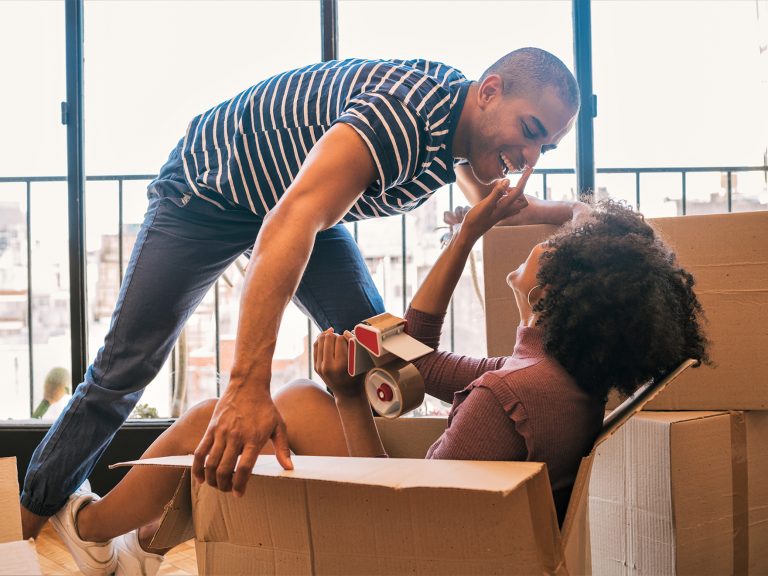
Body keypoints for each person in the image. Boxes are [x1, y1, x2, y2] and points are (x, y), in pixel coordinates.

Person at [21, 47, 585, 539]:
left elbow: (486, 192)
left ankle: (334, 501)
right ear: (489, 92)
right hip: (212, 190)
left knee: (386, 355)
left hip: (292, 198)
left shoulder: (464, 128)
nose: (531, 158)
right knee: (125, 368)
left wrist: (571, 213)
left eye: (547, 148)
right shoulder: (403, 118)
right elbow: (288, 222)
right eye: (530, 130)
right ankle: (27, 525)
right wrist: (246, 388)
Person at [48, 179, 709, 576]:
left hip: (407, 551)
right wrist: (471, 233)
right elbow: (415, 357)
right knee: (275, 405)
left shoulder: (506, 393)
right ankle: (143, 543)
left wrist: (348, 396)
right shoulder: (551, 375)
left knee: (221, 420)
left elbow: (400, 521)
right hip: (463, 537)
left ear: (561, 289)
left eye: (560, 247)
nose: (549, 240)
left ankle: (93, 533)